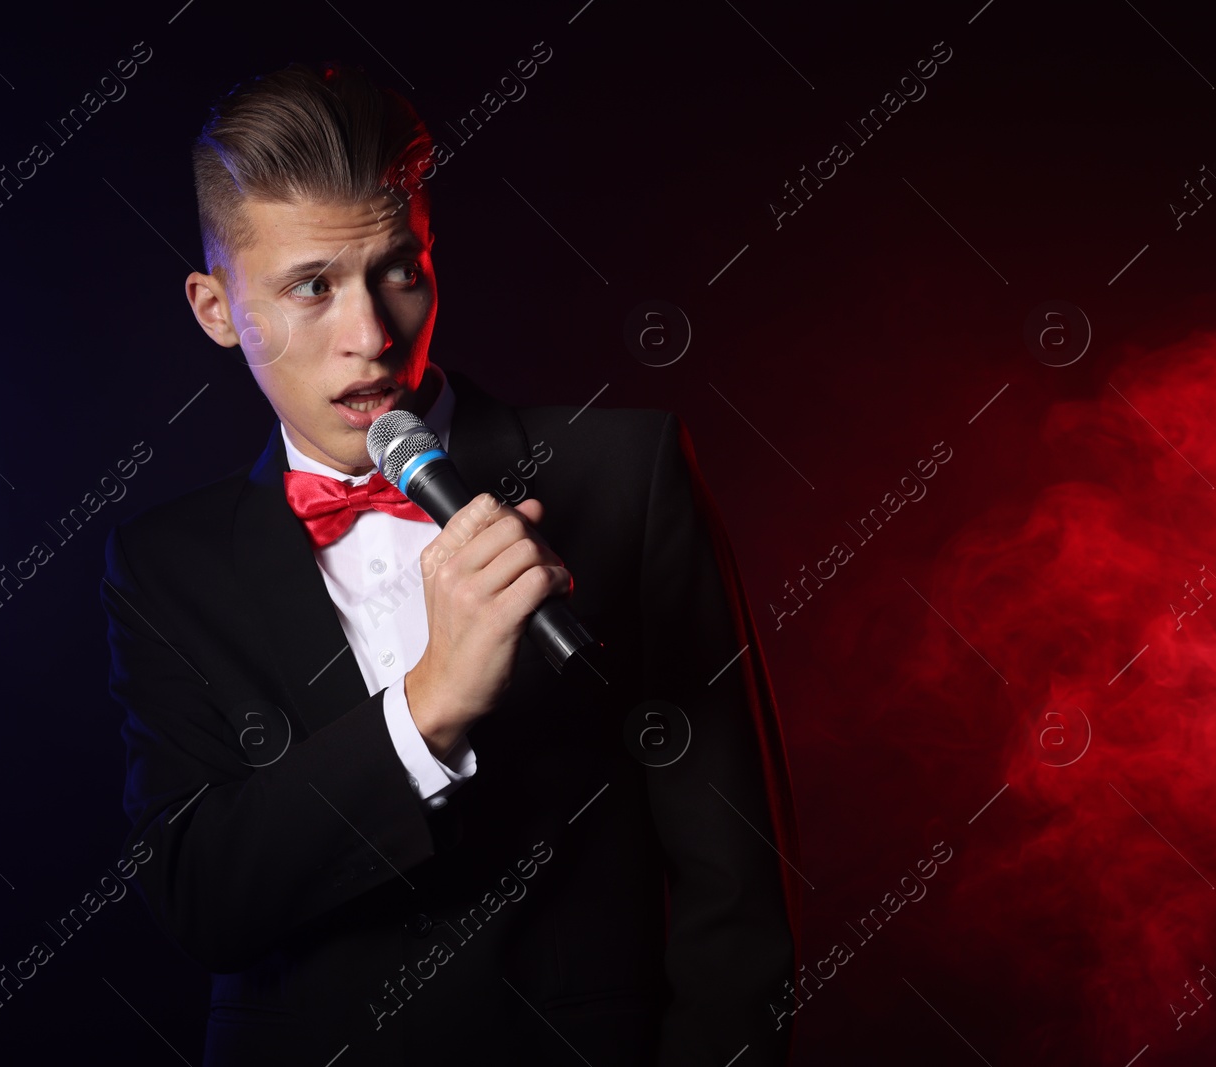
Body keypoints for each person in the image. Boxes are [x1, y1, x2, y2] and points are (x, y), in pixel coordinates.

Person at [102, 60, 800, 1065]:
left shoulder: (622, 472)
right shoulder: (163, 564)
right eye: (312, 286)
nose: (371, 337)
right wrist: (426, 706)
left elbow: (736, 888)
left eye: (399, 270)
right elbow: (199, 898)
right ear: (218, 309)